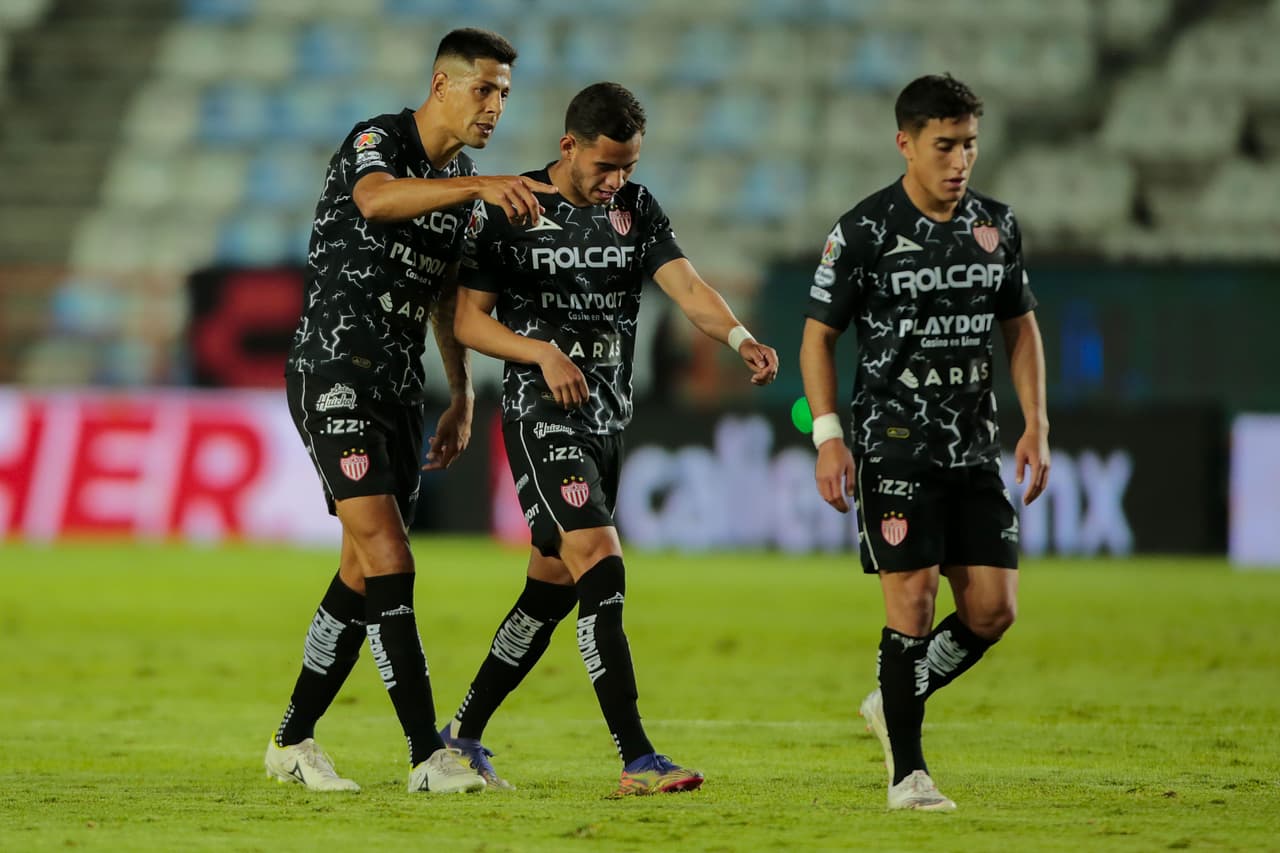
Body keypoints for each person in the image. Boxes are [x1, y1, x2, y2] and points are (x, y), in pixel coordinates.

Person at [442, 81, 780, 797]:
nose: (615, 181)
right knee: (600, 558)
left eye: (627, 166)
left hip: (606, 421)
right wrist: (539, 352)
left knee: (551, 588)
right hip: (541, 414)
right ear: (569, 146)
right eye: (605, 166)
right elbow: (468, 322)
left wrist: (740, 337)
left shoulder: (636, 207)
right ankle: (636, 756)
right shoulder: (510, 207)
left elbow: (686, 287)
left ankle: (461, 735)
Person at [265, 27, 558, 795]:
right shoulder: (380, 140)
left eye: (504, 94)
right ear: (442, 84)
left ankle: (292, 738)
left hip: (399, 387)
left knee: (362, 572)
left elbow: (441, 295)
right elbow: (373, 199)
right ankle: (428, 754)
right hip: (335, 373)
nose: (495, 106)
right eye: (484, 89)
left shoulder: (460, 183)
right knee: (391, 555)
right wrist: (476, 186)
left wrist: (459, 390)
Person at [798, 73, 1050, 811]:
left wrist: (1036, 420)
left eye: (969, 144)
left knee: (993, 611)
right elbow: (819, 338)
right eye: (944, 145)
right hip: (893, 446)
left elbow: (1020, 324)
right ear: (905, 143)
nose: (959, 160)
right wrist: (828, 435)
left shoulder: (997, 225)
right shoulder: (864, 231)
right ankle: (908, 774)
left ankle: (890, 696)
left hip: (974, 449)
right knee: (910, 602)